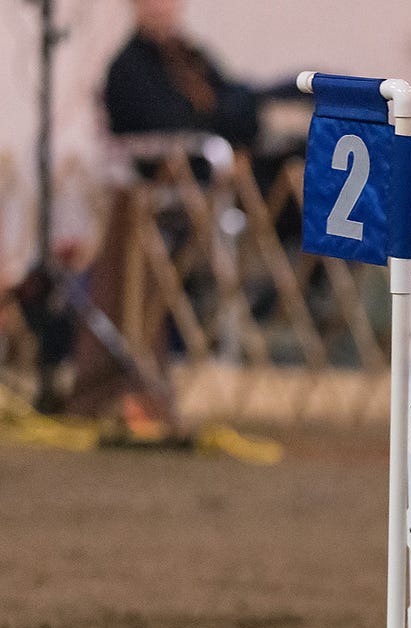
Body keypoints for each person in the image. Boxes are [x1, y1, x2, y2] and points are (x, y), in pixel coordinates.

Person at [56, 0, 261, 435]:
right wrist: (219, 121)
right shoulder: (127, 68)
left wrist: (222, 118)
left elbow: (240, 107)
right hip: (155, 199)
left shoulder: (192, 55)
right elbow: (173, 121)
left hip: (208, 189)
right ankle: (128, 385)